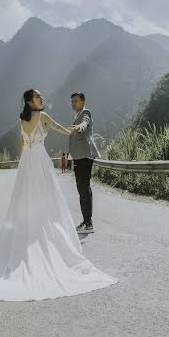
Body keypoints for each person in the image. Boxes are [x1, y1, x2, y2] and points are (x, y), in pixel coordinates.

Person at [0, 87, 118, 302]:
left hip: (27, 161)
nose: (42, 98)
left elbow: (21, 144)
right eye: (38, 96)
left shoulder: (22, 120)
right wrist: (72, 131)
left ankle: (27, 233)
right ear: (30, 102)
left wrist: (23, 162)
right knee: (47, 198)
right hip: (40, 161)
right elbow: (59, 128)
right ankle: (45, 235)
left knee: (24, 199)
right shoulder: (42, 116)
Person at [69, 92, 100, 234]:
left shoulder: (85, 113)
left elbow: (85, 122)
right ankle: (87, 221)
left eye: (76, 101)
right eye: (72, 101)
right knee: (83, 188)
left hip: (84, 157)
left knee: (83, 189)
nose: (73, 103)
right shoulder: (77, 115)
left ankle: (88, 223)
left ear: (83, 102)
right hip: (80, 157)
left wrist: (79, 128)